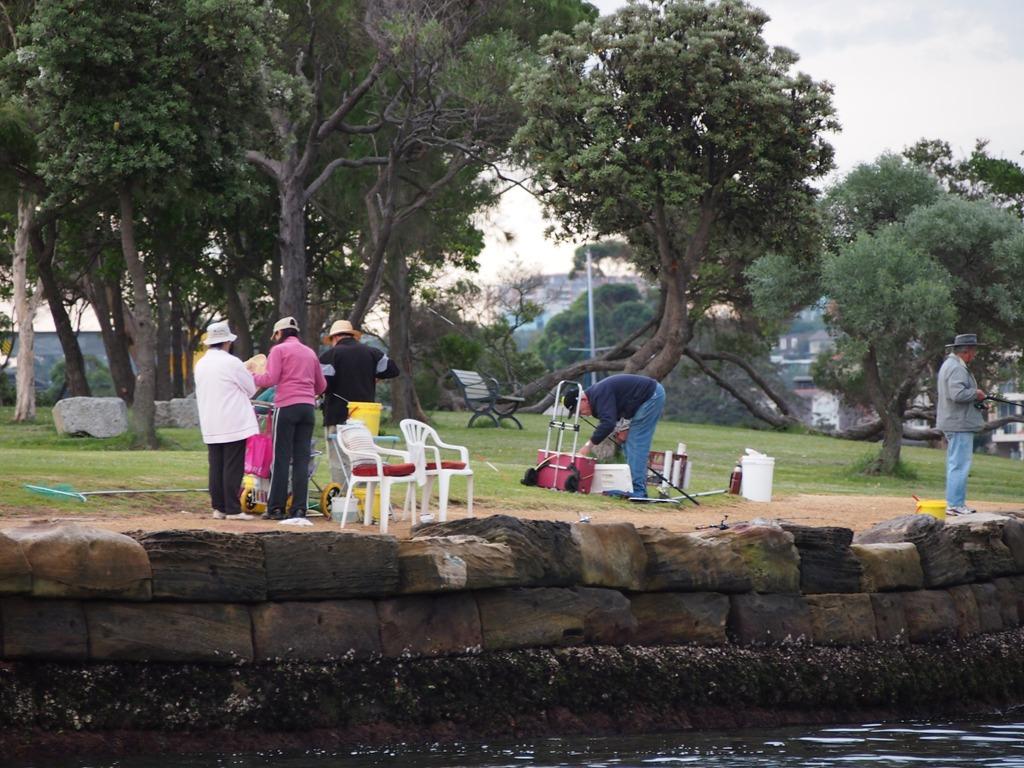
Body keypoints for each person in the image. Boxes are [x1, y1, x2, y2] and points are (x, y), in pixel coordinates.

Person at [249, 316, 327, 520]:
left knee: (281, 458)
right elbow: (322, 386)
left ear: (279, 333)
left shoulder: (279, 350)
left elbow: (270, 379)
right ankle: (299, 508)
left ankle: (276, 508)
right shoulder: (310, 353)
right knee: (302, 459)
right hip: (307, 409)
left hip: (287, 407)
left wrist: (252, 376)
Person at [319, 319, 400, 484]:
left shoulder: (330, 355)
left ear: (334, 338)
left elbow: (323, 384)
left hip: (337, 415)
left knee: (339, 460)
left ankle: (343, 500)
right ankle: (364, 496)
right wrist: (375, 376)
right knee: (364, 459)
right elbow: (392, 369)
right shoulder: (372, 352)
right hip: (366, 418)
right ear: (353, 336)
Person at [193, 321, 258, 521]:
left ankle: (218, 507)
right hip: (233, 421)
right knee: (233, 465)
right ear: (227, 342)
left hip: (210, 420)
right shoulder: (232, 362)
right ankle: (233, 509)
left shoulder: (201, 363)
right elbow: (251, 389)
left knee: (216, 465)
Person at [564, 373, 665, 499]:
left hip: (650, 395)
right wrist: (622, 429)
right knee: (627, 444)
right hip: (638, 402)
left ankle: (638, 491)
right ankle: (629, 485)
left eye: (579, 411)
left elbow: (608, 423)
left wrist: (587, 447)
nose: (581, 414)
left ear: (583, 400)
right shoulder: (594, 400)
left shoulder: (599, 394)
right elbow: (616, 416)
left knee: (636, 442)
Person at [936, 333, 987, 516]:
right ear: (966, 351)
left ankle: (955, 503)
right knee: (959, 464)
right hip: (959, 424)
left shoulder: (950, 365)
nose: (974, 355)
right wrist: (976, 393)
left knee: (956, 463)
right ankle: (955, 504)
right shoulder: (957, 368)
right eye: (974, 351)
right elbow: (957, 395)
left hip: (955, 422)